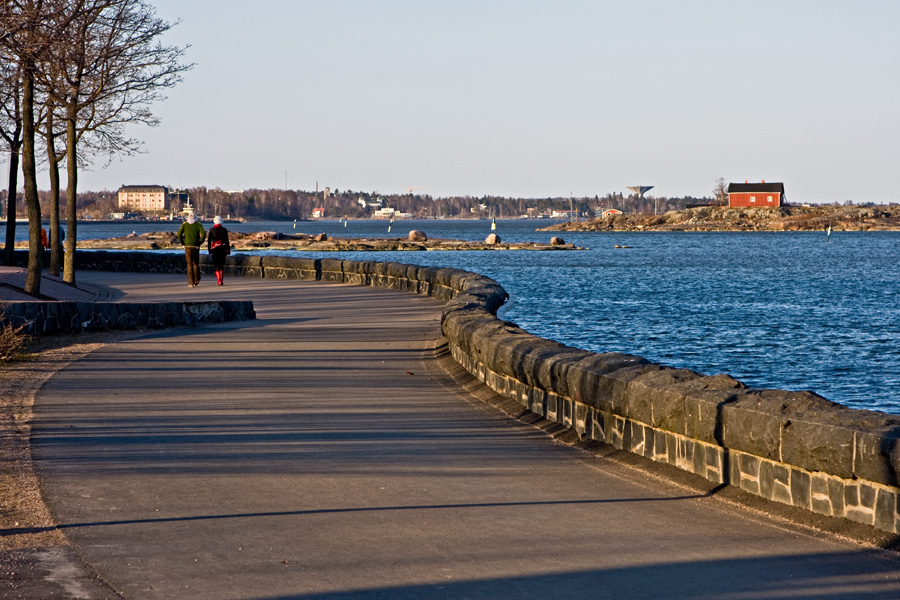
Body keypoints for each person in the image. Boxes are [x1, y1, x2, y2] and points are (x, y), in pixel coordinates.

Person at [176, 212, 205, 287]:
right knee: (195, 263)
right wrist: (200, 242)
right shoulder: (198, 224)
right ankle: (196, 280)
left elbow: (179, 234)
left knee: (189, 264)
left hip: (187, 246)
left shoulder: (184, 224)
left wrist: (183, 243)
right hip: (196, 246)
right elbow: (204, 234)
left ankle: (191, 282)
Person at [206, 215, 231, 286]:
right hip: (223, 248)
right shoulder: (224, 230)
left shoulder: (211, 230)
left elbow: (209, 241)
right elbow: (227, 241)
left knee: (217, 265)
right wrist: (228, 250)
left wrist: (209, 249)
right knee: (222, 264)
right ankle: (221, 279)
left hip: (215, 249)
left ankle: (219, 280)